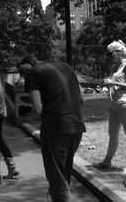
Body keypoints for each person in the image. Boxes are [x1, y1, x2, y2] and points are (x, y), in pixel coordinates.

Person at [18, 55, 86, 202]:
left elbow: (37, 110)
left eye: (22, 73)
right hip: (77, 127)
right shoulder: (67, 67)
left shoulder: (33, 72)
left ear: (25, 67)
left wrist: (33, 112)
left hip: (56, 128)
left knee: (57, 178)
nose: (23, 77)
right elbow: (82, 100)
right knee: (64, 174)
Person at [98, 40, 126, 176]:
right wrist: (109, 83)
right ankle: (107, 160)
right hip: (113, 105)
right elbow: (115, 83)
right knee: (113, 133)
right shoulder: (114, 67)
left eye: (110, 53)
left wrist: (113, 82)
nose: (108, 56)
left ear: (118, 52)